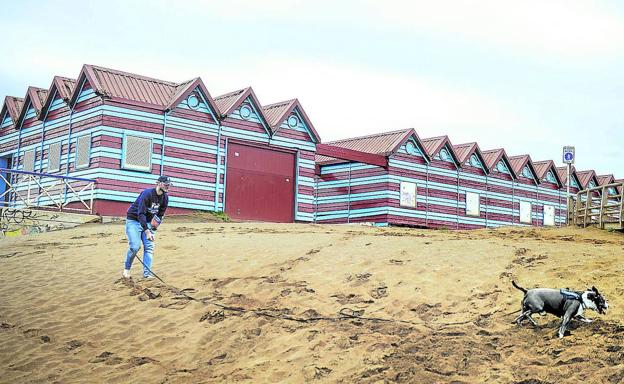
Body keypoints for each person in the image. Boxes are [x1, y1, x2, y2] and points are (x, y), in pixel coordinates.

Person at [122, 175, 171, 279]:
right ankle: (126, 270)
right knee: (135, 247)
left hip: (148, 222)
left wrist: (154, 228)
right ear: (158, 183)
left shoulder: (165, 198)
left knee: (149, 247)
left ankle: (147, 274)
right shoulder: (147, 194)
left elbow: (160, 214)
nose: (168, 186)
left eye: (169, 185)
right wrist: (147, 231)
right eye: (166, 184)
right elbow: (141, 214)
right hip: (134, 220)